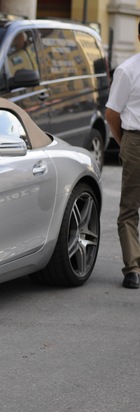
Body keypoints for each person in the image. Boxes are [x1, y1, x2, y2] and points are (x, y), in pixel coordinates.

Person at [105, 22, 140, 289]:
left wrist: (123, 141)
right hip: (134, 140)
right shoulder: (127, 69)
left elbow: (112, 114)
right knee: (129, 207)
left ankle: (133, 270)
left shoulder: (127, 70)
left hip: (135, 141)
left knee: (128, 208)